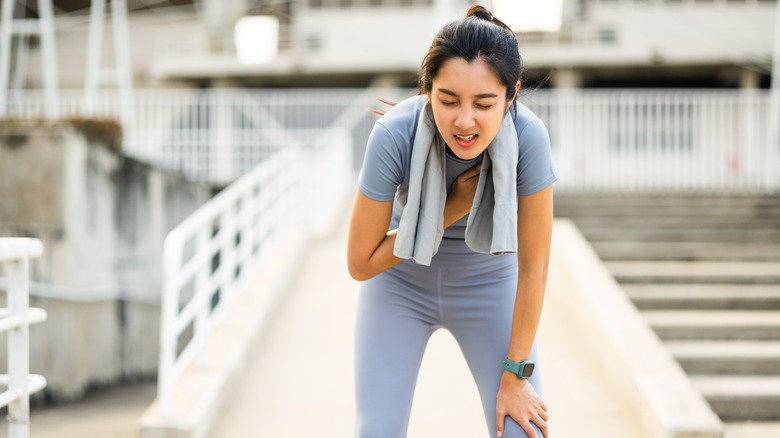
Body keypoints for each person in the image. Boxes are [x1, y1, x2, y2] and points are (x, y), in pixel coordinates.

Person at [347, 5, 557, 438]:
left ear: (511, 94)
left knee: (524, 431)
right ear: (426, 90)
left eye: (484, 103)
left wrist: (516, 376)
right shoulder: (394, 134)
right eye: (447, 100)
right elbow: (360, 263)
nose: (465, 121)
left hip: (490, 284)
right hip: (398, 286)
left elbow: (534, 268)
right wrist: (449, 207)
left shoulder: (531, 138)